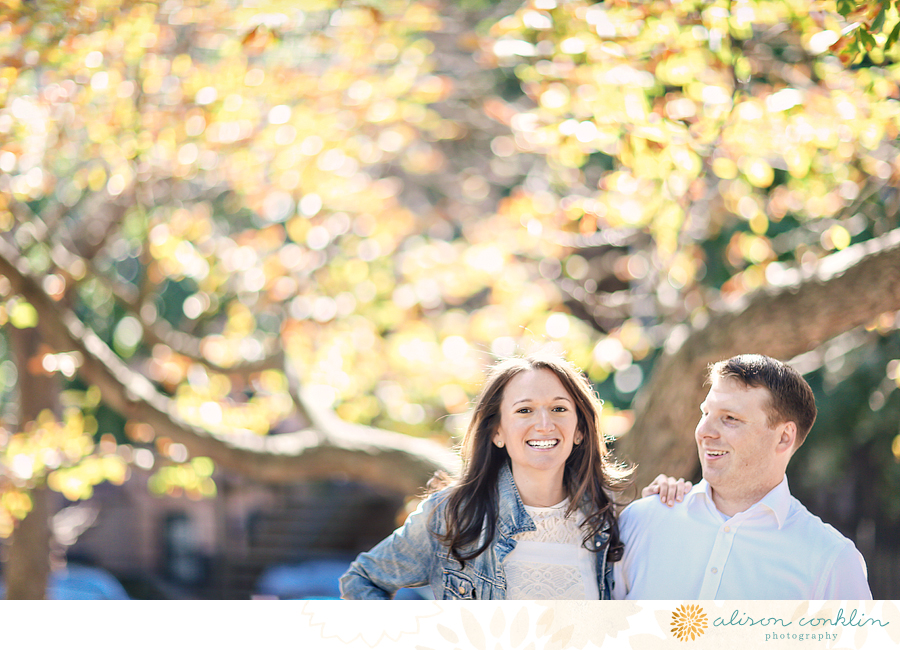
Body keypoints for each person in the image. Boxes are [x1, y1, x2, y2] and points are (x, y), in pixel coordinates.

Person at [340, 352, 635, 599]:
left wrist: (669, 499)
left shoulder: (605, 515)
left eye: (559, 408)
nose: (544, 424)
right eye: (525, 410)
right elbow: (362, 580)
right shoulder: (454, 515)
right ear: (497, 432)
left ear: (580, 430)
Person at [613, 353, 872, 599]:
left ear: (784, 437)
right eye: (705, 413)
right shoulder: (642, 521)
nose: (704, 431)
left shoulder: (832, 562)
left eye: (730, 418)